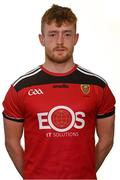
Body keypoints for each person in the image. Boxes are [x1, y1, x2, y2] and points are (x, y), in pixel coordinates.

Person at [2, 4, 115, 180]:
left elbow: (107, 140)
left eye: (67, 34)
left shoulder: (98, 86)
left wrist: (85, 173)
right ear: (42, 39)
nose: (60, 41)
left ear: (76, 38)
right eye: (53, 34)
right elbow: (11, 142)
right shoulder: (20, 88)